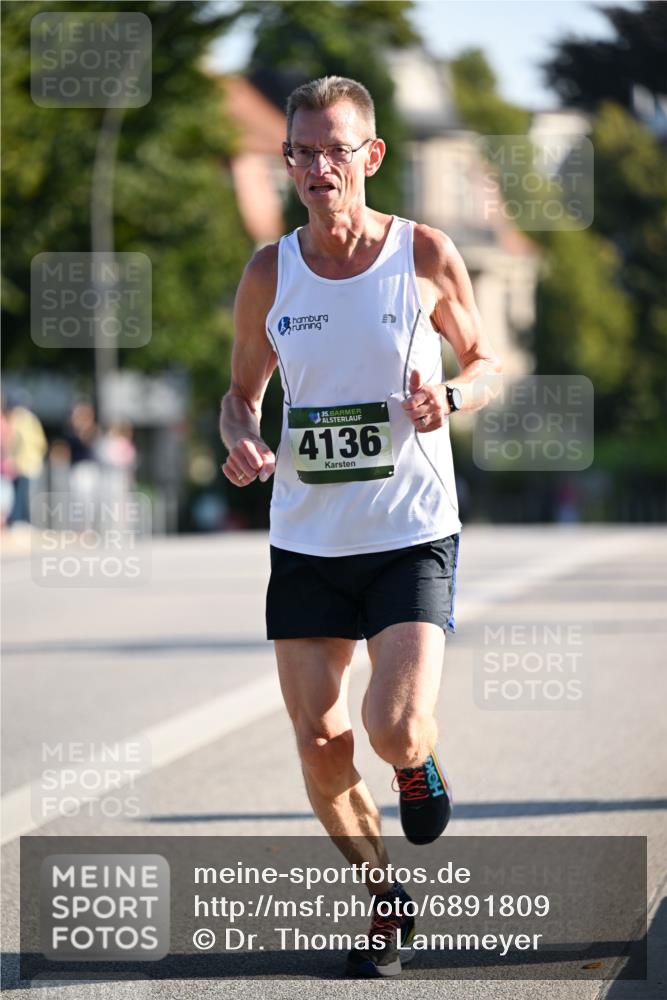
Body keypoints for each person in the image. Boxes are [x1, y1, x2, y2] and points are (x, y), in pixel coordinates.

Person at [219, 76, 501, 978]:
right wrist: (242, 440)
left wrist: (450, 395)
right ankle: (385, 904)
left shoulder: (421, 253)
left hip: (408, 528)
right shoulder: (270, 270)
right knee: (317, 740)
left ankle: (416, 765)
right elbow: (237, 395)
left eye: (334, 150)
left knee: (390, 726)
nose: (314, 167)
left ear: (370, 156)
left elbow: (487, 360)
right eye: (299, 151)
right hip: (306, 538)